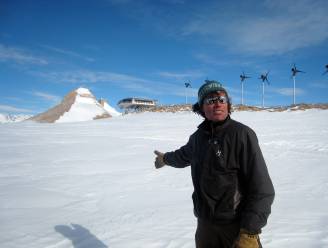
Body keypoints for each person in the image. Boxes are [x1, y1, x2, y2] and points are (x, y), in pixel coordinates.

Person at [154, 80, 274, 248]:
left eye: (222, 99)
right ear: (202, 107)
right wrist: (165, 158)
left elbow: (261, 188)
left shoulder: (242, 134)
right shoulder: (197, 138)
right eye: (210, 101)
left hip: (236, 226)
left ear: (228, 104)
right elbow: (183, 156)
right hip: (205, 225)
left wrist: (250, 232)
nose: (217, 104)